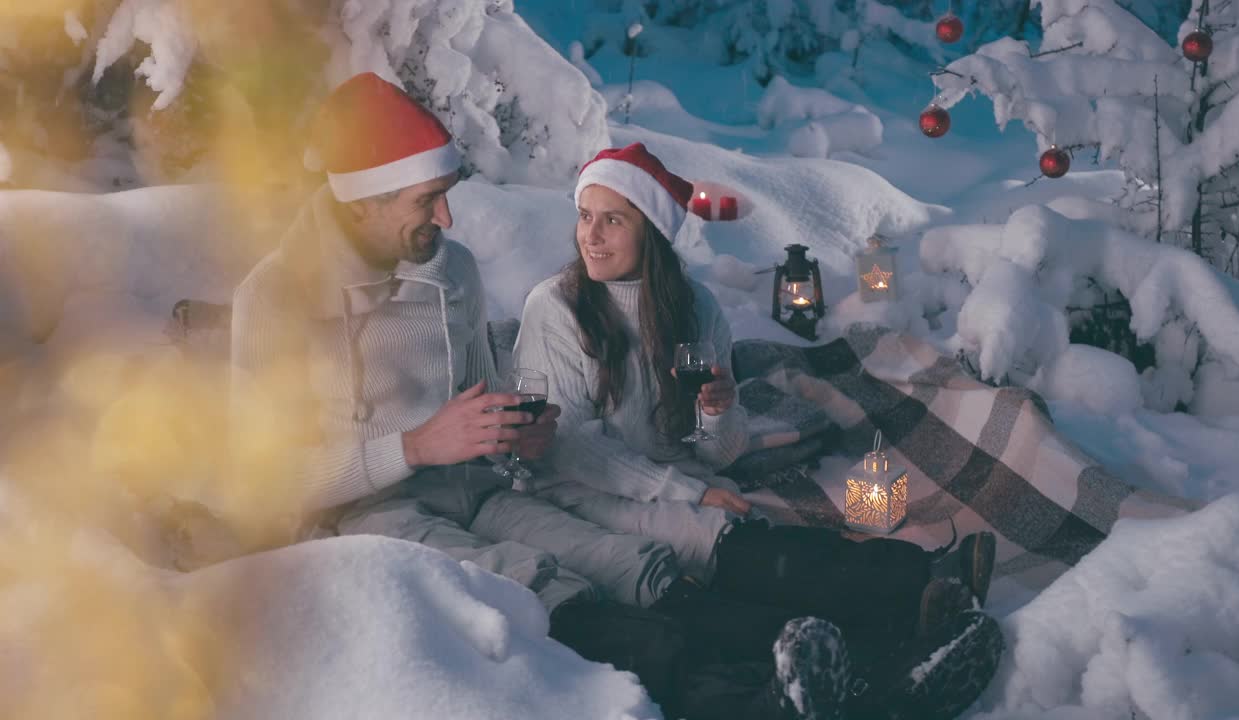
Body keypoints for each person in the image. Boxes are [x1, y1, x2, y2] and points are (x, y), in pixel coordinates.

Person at [230, 71, 868, 720]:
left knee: (629, 561)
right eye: (428, 201)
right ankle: (745, 703)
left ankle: (839, 665)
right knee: (538, 585)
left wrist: (516, 432)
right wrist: (416, 446)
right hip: (369, 520)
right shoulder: (276, 299)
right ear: (363, 201)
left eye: (446, 196)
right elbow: (264, 483)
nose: (447, 218)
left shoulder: (452, 271)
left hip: (479, 488)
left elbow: (490, 395)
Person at [513, 142, 1004, 716]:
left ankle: (918, 606)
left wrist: (719, 413)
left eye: (613, 220)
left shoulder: (693, 310)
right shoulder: (557, 308)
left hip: (681, 479)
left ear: (650, 231)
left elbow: (718, 453)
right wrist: (690, 492)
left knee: (744, 537)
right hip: (583, 492)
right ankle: (905, 602)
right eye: (585, 216)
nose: (590, 236)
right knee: (729, 543)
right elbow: (572, 449)